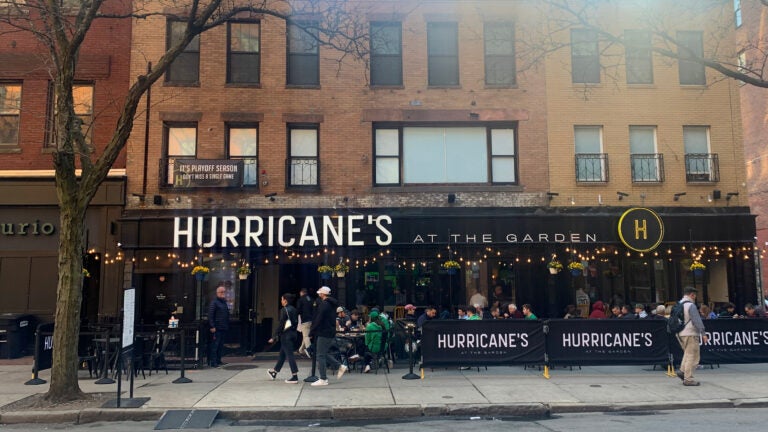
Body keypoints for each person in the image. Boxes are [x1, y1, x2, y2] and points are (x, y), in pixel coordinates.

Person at [309, 286, 347, 386]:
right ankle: (339, 366)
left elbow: (319, 318)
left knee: (320, 355)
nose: (319, 294)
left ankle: (323, 378)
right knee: (323, 353)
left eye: (320, 293)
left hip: (324, 331)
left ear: (323, 294)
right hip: (330, 331)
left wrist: (312, 331)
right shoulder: (331, 304)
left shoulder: (324, 304)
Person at [676, 287, 709, 386]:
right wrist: (703, 333)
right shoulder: (691, 305)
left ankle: (682, 371)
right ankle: (688, 379)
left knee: (687, 353)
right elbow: (697, 321)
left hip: (679, 333)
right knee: (693, 356)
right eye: (695, 295)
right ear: (692, 295)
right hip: (690, 333)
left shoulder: (678, 304)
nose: (695, 298)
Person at [267, 293, 300, 384]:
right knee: (282, 354)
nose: (281, 301)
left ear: (285, 300)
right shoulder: (294, 309)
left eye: (281, 299)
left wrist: (274, 336)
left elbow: (281, 324)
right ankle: (275, 371)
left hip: (286, 335)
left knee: (290, 355)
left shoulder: (284, 310)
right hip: (293, 334)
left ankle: (295, 376)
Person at [207, 285, 230, 368]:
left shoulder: (223, 302)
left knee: (220, 345)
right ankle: (213, 362)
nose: (223, 293)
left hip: (223, 327)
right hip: (217, 327)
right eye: (221, 292)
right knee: (215, 345)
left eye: (224, 292)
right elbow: (210, 315)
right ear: (217, 293)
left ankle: (218, 360)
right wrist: (212, 326)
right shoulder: (214, 302)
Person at [296, 288, 315, 358]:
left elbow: (298, 310)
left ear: (301, 293)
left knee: (306, 336)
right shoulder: (312, 299)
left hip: (305, 320)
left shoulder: (300, 300)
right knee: (306, 335)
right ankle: (300, 350)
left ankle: (310, 351)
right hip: (312, 320)